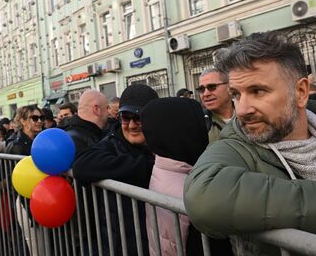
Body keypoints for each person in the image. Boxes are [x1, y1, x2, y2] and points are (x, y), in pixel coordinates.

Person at [184, 31, 316, 254]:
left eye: (258, 91)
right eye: (236, 94)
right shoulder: (235, 147)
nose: (242, 109)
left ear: (301, 91)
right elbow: (203, 196)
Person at [73, 84, 158, 256]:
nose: (132, 125)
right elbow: (82, 165)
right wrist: (147, 167)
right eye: (126, 118)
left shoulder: (165, 142)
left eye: (139, 117)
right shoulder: (113, 142)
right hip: (122, 246)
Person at [141, 97, 231, 256]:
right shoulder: (196, 189)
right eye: (201, 124)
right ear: (187, 129)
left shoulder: (163, 167)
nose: (205, 130)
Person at [62, 90, 109, 157]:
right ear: (96, 110)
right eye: (107, 108)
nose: (108, 112)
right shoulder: (78, 141)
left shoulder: (71, 135)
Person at [197, 67, 235, 143]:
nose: (206, 94)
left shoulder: (248, 114)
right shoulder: (198, 123)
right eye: (201, 89)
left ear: (229, 87)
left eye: (212, 87)